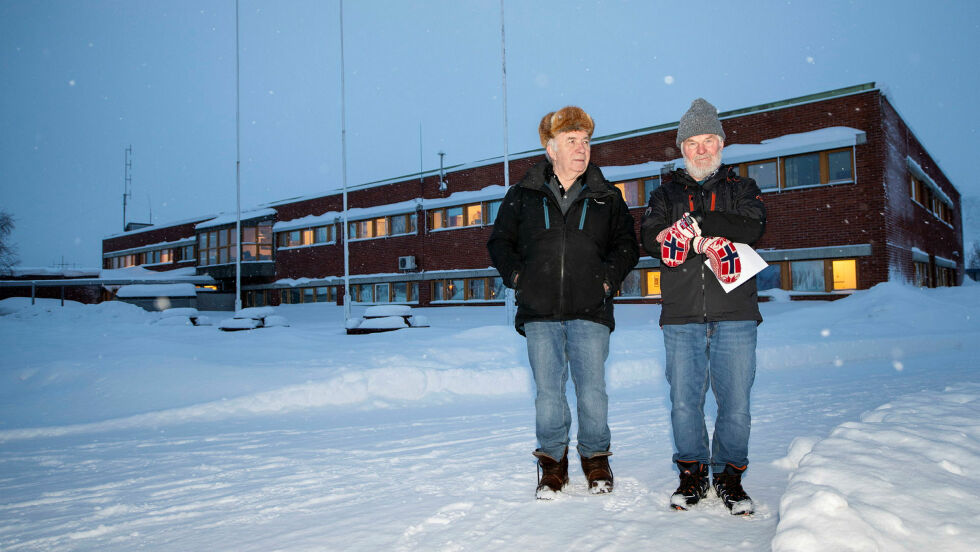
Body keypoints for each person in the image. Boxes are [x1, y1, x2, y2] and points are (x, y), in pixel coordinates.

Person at [488, 106, 639, 499]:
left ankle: (596, 460)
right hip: (539, 312)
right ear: (550, 148)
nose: (581, 148)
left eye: (586, 141)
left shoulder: (607, 197)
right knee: (548, 393)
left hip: (590, 309)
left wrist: (606, 281)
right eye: (571, 141)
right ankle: (553, 465)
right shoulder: (523, 195)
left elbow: (627, 246)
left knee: (592, 391)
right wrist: (519, 277)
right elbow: (499, 243)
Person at [641, 98, 766, 515]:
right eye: (691, 142)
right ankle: (692, 475)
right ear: (681, 149)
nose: (700, 149)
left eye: (708, 140)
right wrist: (692, 234)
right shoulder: (664, 192)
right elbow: (650, 237)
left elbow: (752, 227)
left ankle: (730, 477)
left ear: (721, 144)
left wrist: (697, 224)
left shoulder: (742, 188)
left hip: (736, 316)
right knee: (683, 402)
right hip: (681, 316)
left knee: (736, 404)